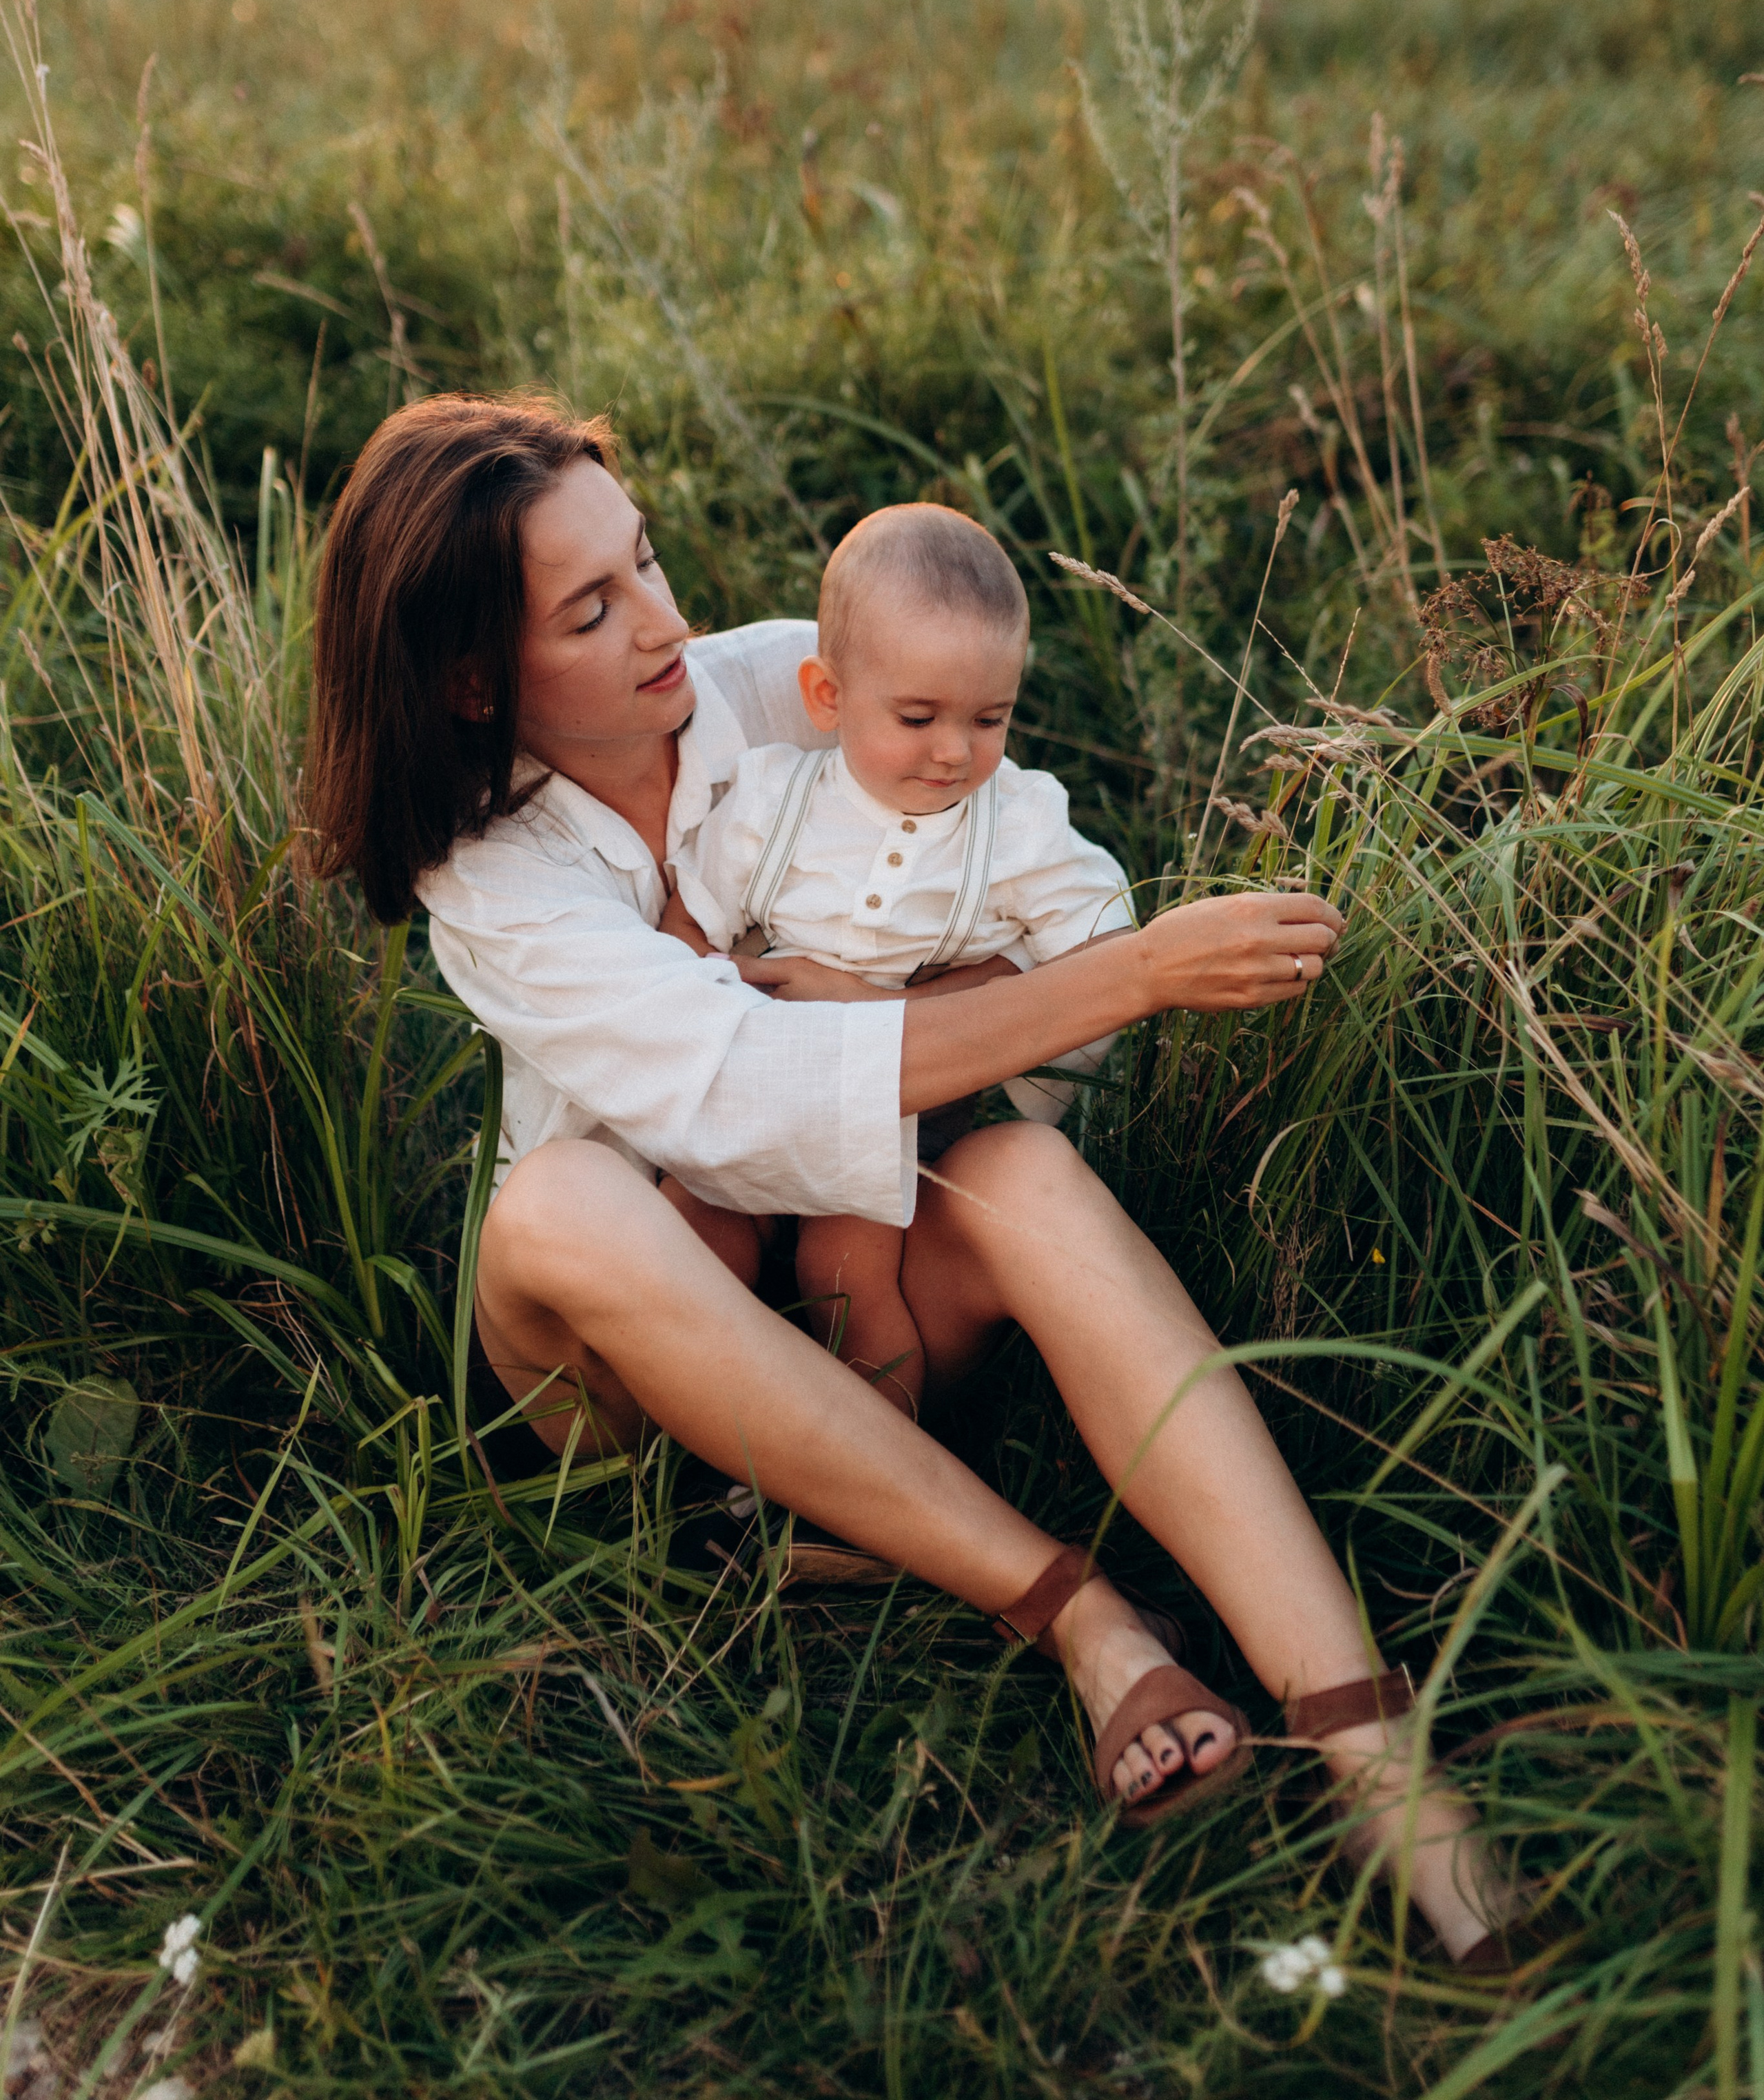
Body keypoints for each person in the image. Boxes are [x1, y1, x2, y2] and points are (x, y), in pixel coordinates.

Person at [305, 391, 1518, 1961]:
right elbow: (740, 1091)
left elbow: (1041, 974)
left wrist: (1025, 997)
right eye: (593, 608)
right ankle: (1077, 1614)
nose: (665, 622)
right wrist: (1127, 977)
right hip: (637, 1403)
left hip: (868, 1314)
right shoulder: (491, 873)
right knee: (559, 1205)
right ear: (472, 681)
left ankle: (1369, 1748)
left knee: (1018, 1167)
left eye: (647, 558)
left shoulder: (781, 688)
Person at [666, 500, 1134, 1418]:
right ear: (828, 697)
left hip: (880, 1114)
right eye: (917, 716)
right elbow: (693, 920)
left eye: (990, 718)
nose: (956, 752)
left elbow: (1105, 937)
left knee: (844, 1280)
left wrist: (955, 1001)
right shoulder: (774, 799)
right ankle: (706, 1442)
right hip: (759, 1079)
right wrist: (710, 1011)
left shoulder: (1018, 824)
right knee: (694, 1232)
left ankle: (883, 1463)